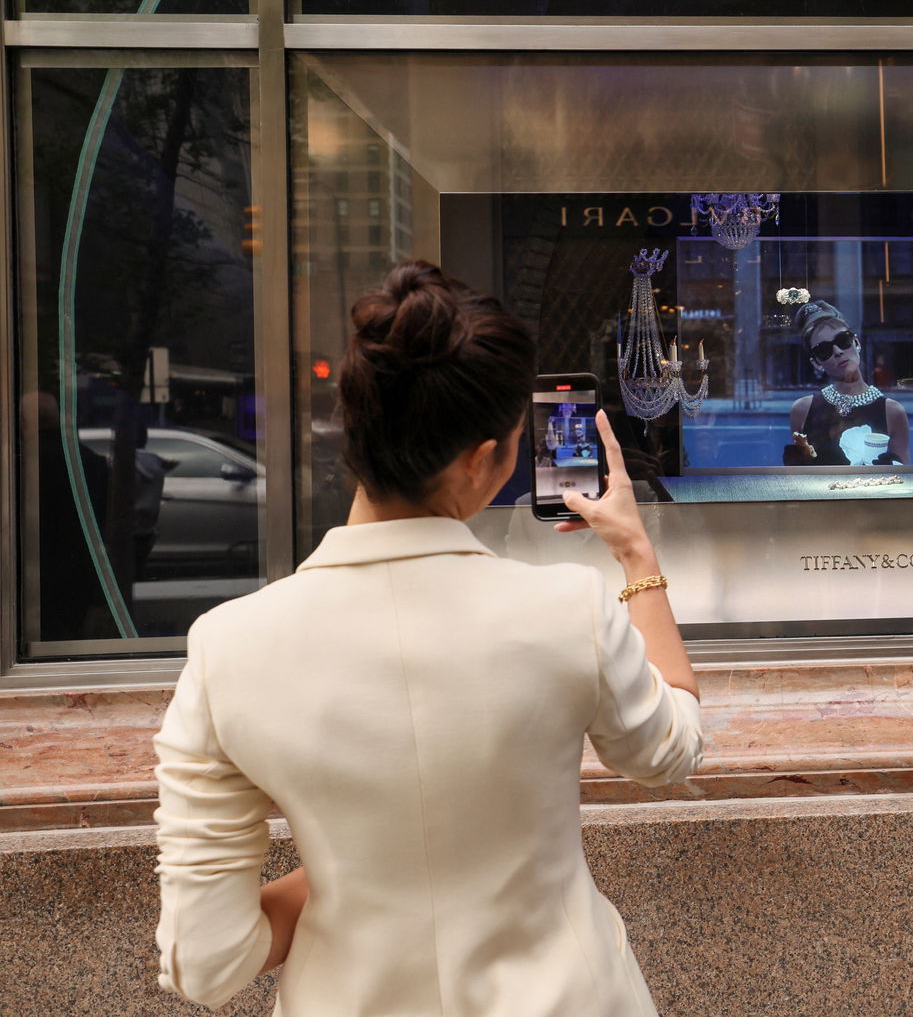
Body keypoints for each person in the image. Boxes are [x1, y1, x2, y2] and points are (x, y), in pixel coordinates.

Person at [153, 260, 702, 1015]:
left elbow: (207, 964)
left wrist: (365, 864)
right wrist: (638, 557)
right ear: (484, 460)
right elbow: (670, 753)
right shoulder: (566, 610)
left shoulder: (227, 648)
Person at [784, 300, 909, 466]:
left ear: (856, 343)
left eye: (843, 340)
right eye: (824, 350)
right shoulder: (802, 410)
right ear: (816, 363)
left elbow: (907, 477)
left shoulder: (893, 412)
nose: (838, 351)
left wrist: (892, 469)